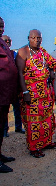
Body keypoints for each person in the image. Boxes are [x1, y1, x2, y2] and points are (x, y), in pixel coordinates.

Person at [16, 29, 56, 158]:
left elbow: (53, 62)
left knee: (47, 119)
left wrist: (52, 71)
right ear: (29, 38)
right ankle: (34, 147)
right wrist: (25, 91)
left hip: (45, 93)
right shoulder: (23, 52)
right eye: (34, 38)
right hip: (31, 93)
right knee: (33, 122)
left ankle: (46, 142)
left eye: (39, 38)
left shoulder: (43, 52)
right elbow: (19, 73)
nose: (37, 40)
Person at [0, 17, 18, 173]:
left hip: (5, 94)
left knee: (1, 125)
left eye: (2, 26)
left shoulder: (3, 44)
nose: (1, 29)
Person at [1, 35, 25, 137]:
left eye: (9, 40)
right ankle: (4, 130)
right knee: (4, 110)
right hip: (4, 87)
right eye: (5, 40)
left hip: (15, 86)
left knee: (17, 108)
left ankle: (18, 127)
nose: (7, 42)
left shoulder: (14, 54)